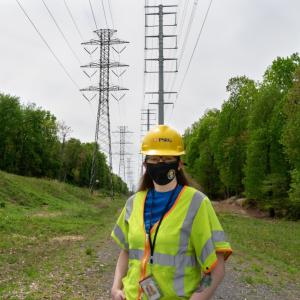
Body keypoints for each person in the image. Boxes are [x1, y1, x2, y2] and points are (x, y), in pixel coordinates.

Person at [111, 125, 232, 300]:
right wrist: (116, 288)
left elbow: (216, 269)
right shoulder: (133, 202)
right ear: (146, 164)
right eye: (154, 158)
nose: (160, 163)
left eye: (167, 158)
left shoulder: (197, 204)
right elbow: (126, 252)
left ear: (179, 163)